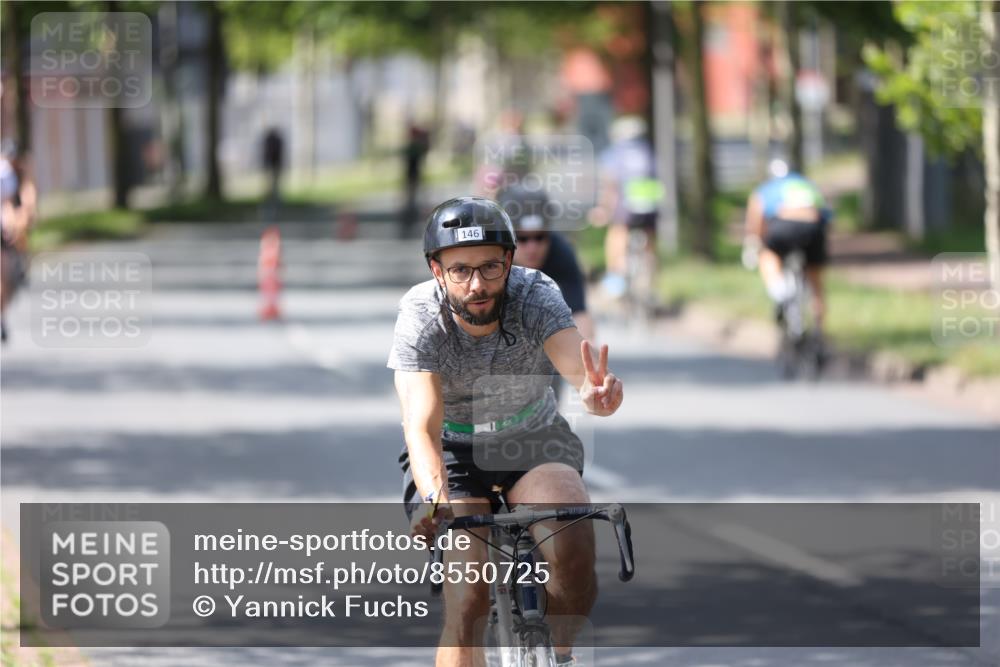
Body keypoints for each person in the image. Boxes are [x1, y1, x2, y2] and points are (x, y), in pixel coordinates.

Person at [388, 197, 623, 667]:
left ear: (510, 260)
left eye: (491, 268)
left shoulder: (535, 294)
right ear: (437, 270)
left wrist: (595, 396)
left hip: (531, 436)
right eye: (460, 270)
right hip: (453, 449)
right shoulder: (420, 316)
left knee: (574, 538)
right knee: (468, 599)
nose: (477, 285)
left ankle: (556, 654)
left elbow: (576, 367)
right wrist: (435, 501)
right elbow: (422, 424)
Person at [742, 158, 831, 337]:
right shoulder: (807, 185)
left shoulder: (766, 189)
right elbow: (825, 215)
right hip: (813, 227)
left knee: (767, 255)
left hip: (783, 225)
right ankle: (819, 331)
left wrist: (754, 244)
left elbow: (756, 221)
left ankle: (780, 292)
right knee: (816, 281)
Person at [495, 183, 594, 342]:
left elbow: (579, 312)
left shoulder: (561, 252)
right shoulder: (490, 258)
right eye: (522, 238)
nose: (532, 247)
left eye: (540, 237)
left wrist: (586, 353)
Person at [589, 116, 663, 298]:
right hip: (651, 207)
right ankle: (651, 281)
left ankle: (615, 277)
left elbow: (610, 186)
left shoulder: (614, 153)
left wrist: (603, 210)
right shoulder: (650, 152)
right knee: (650, 240)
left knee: (617, 232)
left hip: (626, 207)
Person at [1, 141, 36, 343]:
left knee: (5, 278)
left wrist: (14, 224)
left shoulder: (8, 174)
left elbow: (9, 203)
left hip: (3, 229)